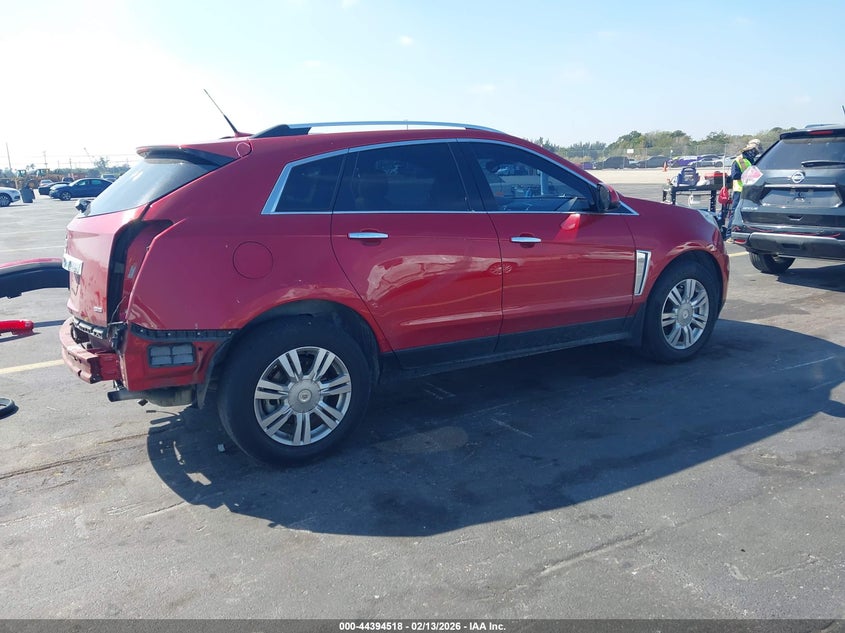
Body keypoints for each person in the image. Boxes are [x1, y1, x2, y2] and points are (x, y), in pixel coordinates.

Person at [725, 138, 762, 236]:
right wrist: (748, 175)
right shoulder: (739, 161)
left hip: (750, 190)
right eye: (753, 151)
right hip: (739, 191)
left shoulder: (751, 160)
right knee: (735, 212)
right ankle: (729, 234)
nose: (754, 153)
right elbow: (735, 175)